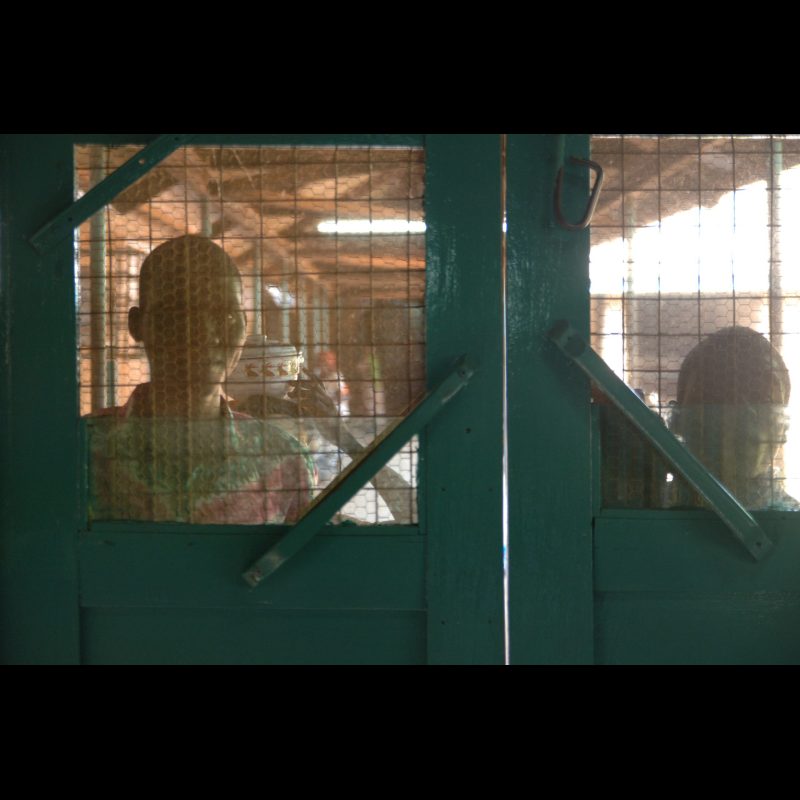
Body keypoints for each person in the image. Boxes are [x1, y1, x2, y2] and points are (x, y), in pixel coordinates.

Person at [87, 235, 315, 524]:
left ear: (246, 326)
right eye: (178, 313)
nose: (205, 333)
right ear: (137, 325)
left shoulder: (284, 460)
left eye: (227, 315)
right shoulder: (83, 452)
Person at [667, 326, 797, 510]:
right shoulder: (653, 512)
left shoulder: (792, 525)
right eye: (713, 395)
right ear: (678, 420)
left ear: (783, 427)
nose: (738, 414)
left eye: (759, 398)